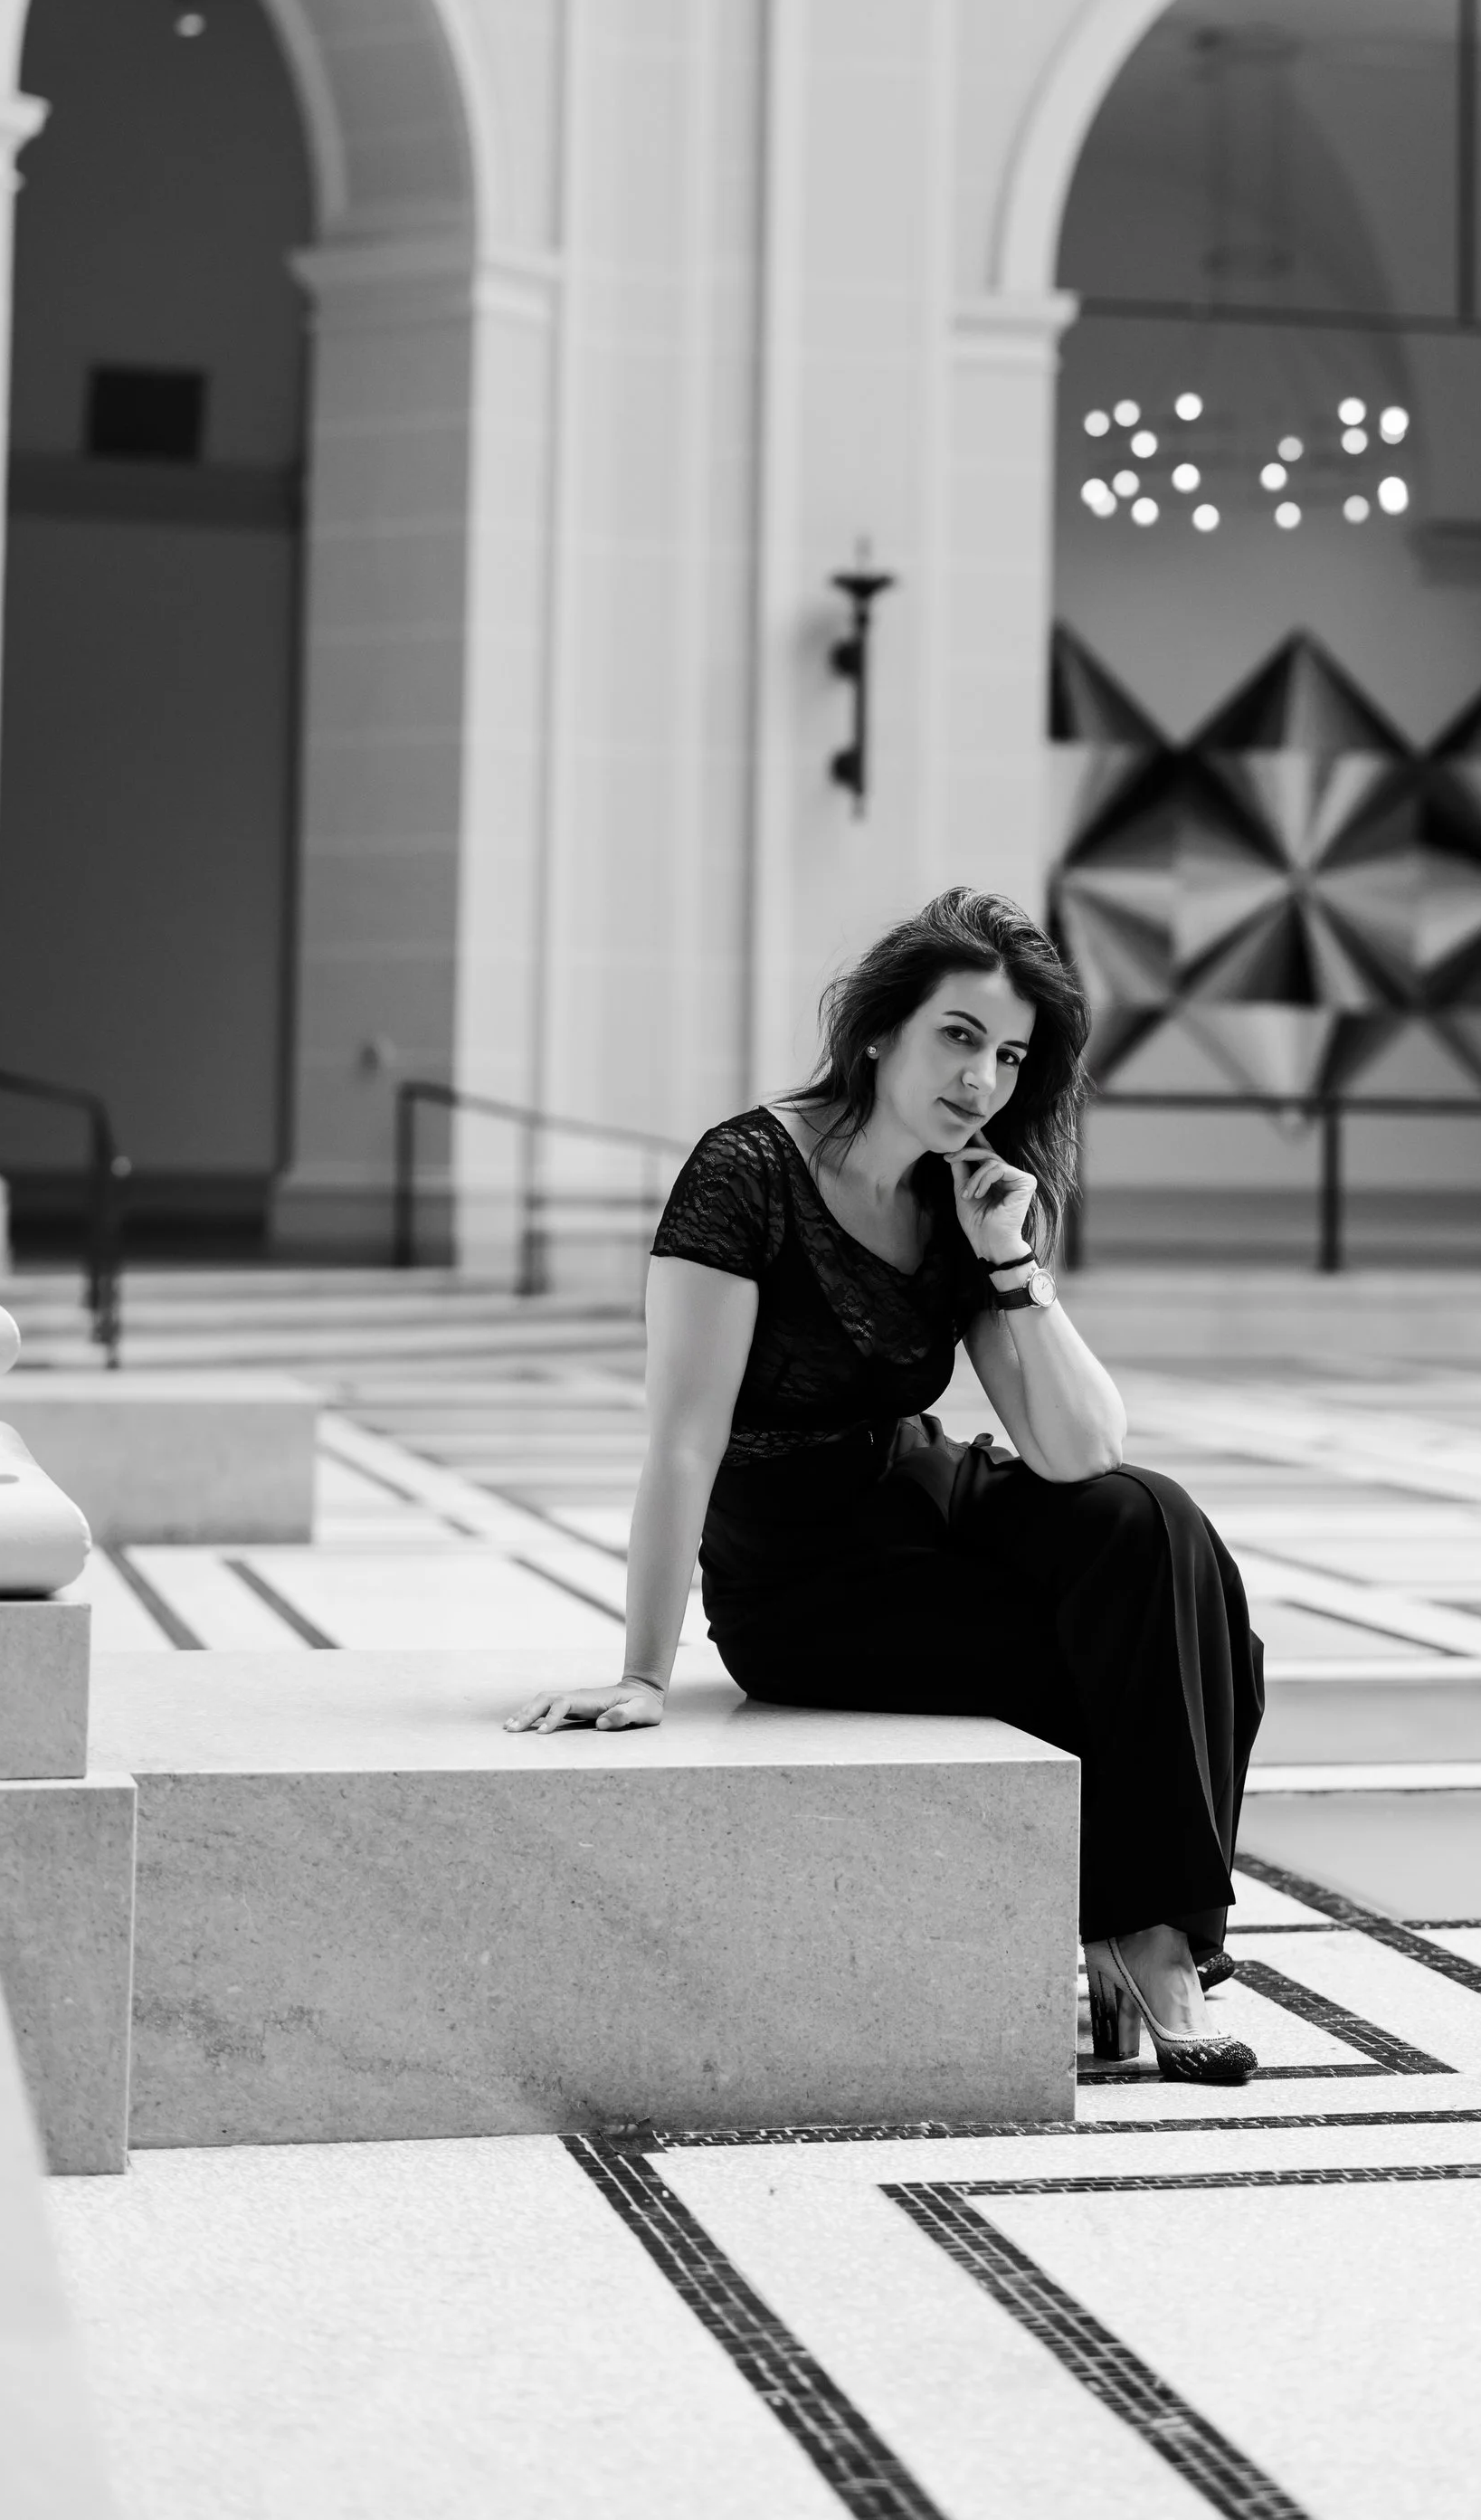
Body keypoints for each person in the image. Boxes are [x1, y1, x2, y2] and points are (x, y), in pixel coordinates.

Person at [508, 886, 1264, 2084]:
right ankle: (1149, 1939)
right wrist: (644, 1673)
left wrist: (1009, 1259)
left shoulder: (967, 1194)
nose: (982, 1079)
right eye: (958, 1036)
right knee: (1141, 1645)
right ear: (878, 1033)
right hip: (802, 1575)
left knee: (1153, 1523)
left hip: (926, 1496)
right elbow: (682, 1443)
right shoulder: (745, 1171)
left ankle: (1146, 1934)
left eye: (1009, 1055)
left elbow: (1082, 1451)